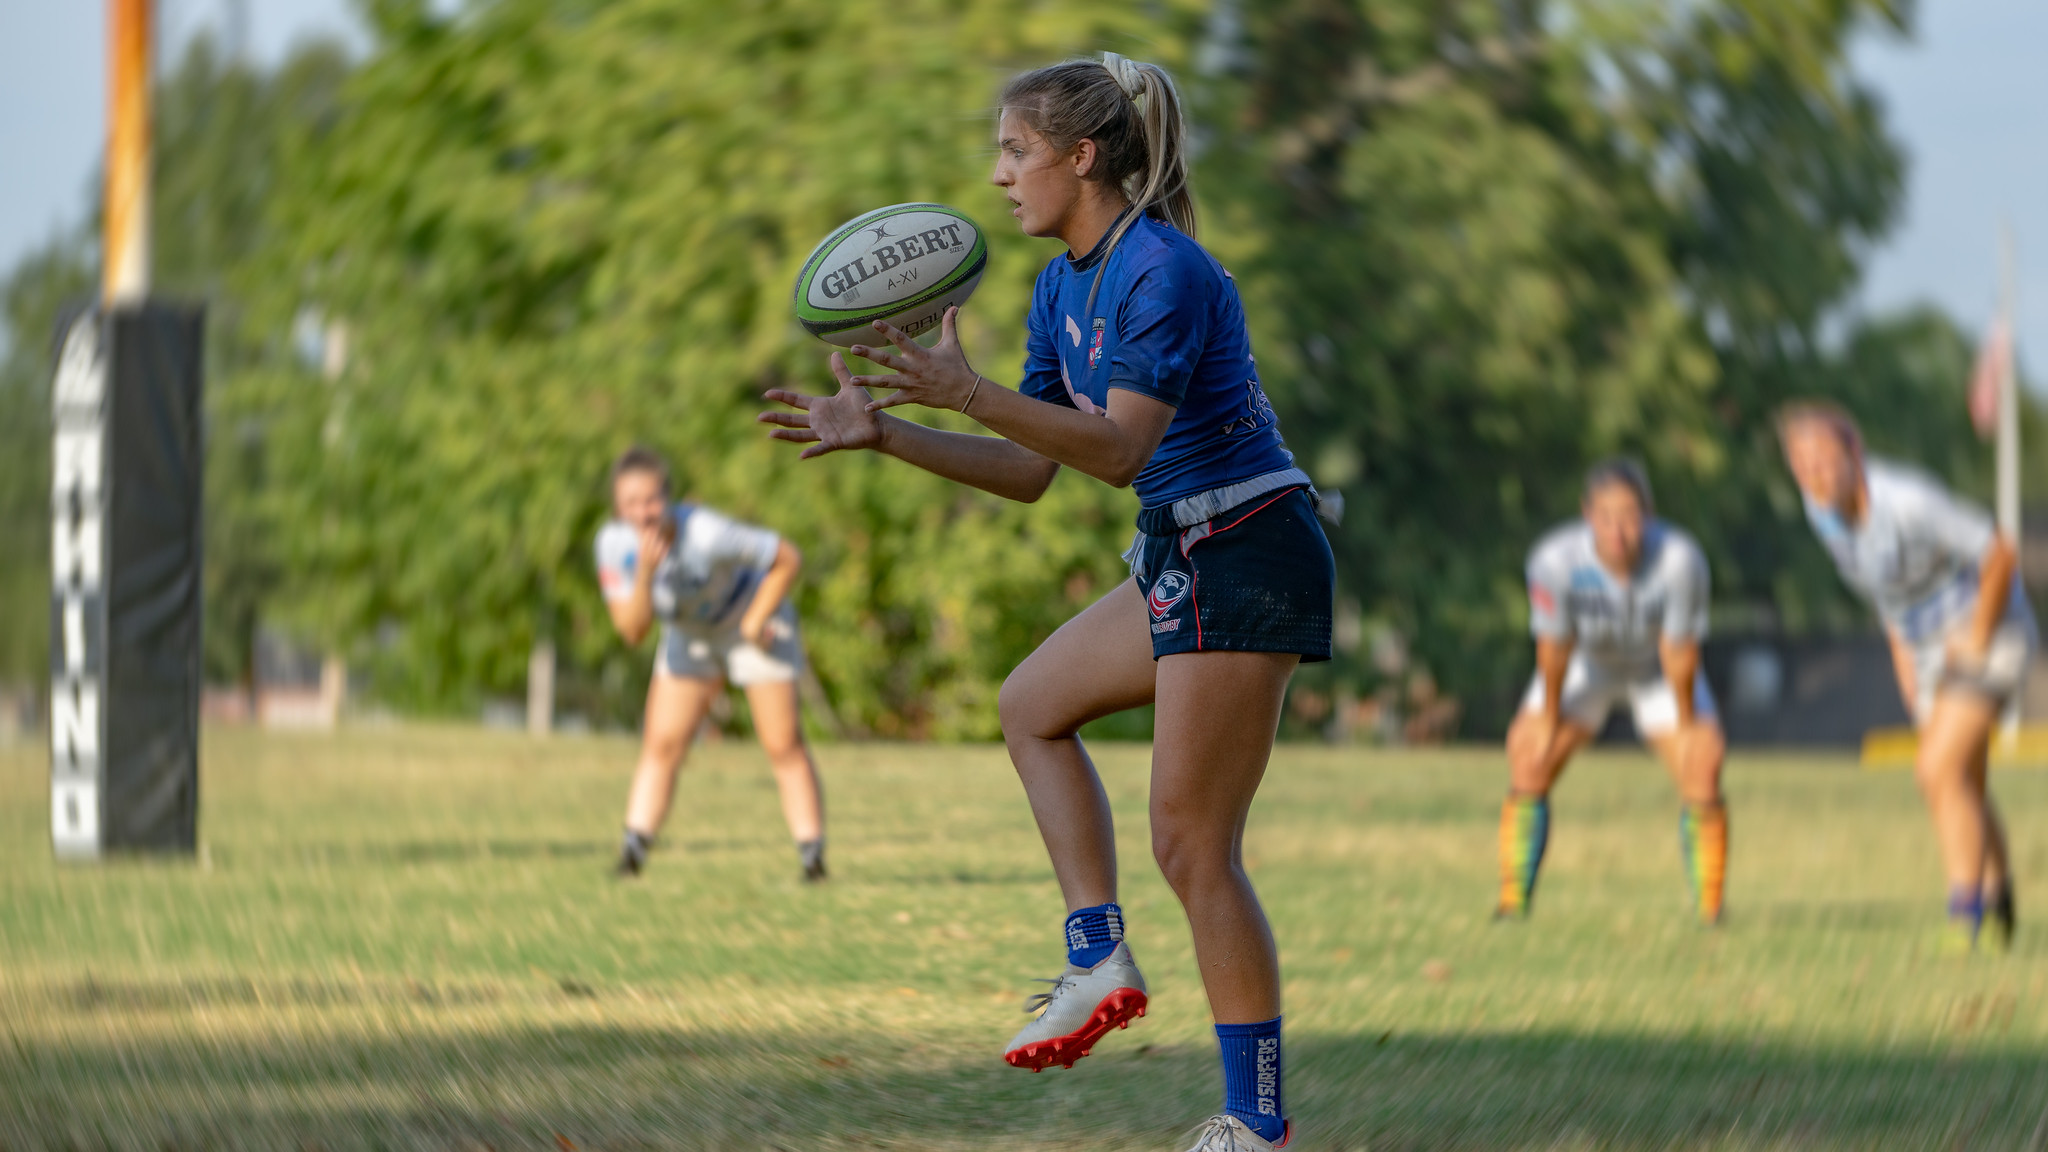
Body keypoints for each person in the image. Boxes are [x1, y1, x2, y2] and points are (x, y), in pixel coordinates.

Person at [760, 52, 1330, 1151]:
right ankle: (1094, 954)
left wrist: (964, 392)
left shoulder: (1160, 271)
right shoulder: (1058, 285)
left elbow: (1116, 450)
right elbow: (1030, 469)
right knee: (1028, 705)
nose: (996, 175)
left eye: (1014, 151)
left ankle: (1255, 1123)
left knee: (1191, 844)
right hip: (1182, 546)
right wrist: (887, 433)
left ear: (1081, 156)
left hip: (1248, 545)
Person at [1779, 401, 2032, 952]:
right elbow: (1884, 591)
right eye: (1801, 464)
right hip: (1924, 648)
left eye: (1824, 460)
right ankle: (2000, 891)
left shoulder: (1909, 501)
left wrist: (1980, 635)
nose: (1814, 474)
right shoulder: (1819, 513)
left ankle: (1963, 918)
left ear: (1855, 455)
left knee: (1934, 769)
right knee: (1961, 781)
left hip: (1992, 628)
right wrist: (1905, 662)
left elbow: (2001, 553)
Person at [1496, 460, 1728, 926]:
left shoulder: (1680, 559)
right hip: (1587, 665)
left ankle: (1710, 911)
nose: (1617, 530)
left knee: (1702, 759)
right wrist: (1546, 717)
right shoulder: (1554, 560)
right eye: (1605, 516)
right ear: (1587, 514)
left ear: (1649, 514)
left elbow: (1680, 653)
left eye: (1629, 516)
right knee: (1528, 753)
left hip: (1656, 670)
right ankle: (1511, 903)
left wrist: (1687, 725)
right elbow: (1555, 649)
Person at [594, 446, 827, 882]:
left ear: (669, 498)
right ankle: (632, 855)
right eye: (630, 503)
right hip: (690, 633)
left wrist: (757, 620)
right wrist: (645, 573)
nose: (642, 513)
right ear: (617, 508)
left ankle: (812, 860)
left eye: (651, 500)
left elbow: (787, 558)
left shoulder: (705, 532)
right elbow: (632, 631)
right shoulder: (613, 545)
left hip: (749, 616)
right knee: (662, 742)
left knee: (781, 743)